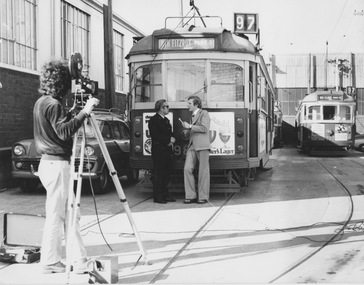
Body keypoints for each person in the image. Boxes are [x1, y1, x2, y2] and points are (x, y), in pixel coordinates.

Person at [33, 59, 99, 273]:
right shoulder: (53, 104)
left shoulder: (42, 102)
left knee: (70, 213)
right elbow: (63, 132)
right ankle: (51, 261)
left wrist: (73, 113)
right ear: (62, 83)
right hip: (57, 165)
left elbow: (56, 128)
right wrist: (85, 111)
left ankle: (78, 259)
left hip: (50, 164)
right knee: (58, 214)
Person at [180, 95, 210, 204]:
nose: (187, 105)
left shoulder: (204, 113)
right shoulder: (192, 115)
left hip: (202, 146)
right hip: (192, 146)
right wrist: (187, 130)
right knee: (187, 169)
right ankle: (191, 195)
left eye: (189, 103)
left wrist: (190, 127)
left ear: (196, 104)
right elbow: (194, 130)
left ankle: (203, 197)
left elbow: (204, 128)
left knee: (203, 172)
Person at [148, 99, 176, 204]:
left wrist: (172, 139)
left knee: (166, 173)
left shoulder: (166, 120)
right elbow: (155, 135)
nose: (168, 108)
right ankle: (158, 196)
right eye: (167, 106)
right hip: (159, 150)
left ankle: (165, 194)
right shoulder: (154, 120)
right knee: (159, 174)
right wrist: (168, 140)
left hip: (167, 150)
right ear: (161, 108)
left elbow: (170, 132)